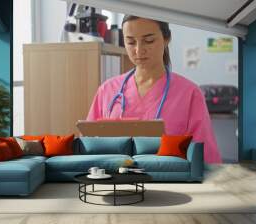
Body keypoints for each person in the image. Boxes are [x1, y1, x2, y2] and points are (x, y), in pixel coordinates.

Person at [86, 15, 222, 164]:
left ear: (166, 38)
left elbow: (205, 157)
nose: (138, 50)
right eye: (130, 42)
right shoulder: (107, 90)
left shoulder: (190, 93)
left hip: (170, 180)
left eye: (148, 40)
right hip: (115, 179)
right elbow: (88, 146)